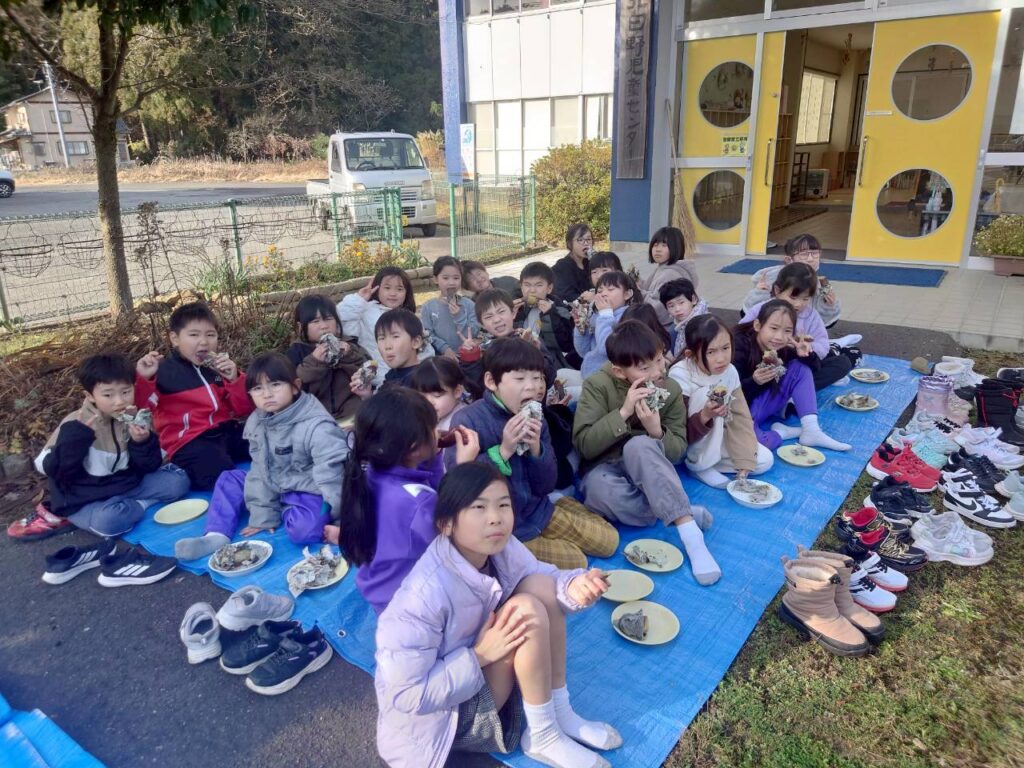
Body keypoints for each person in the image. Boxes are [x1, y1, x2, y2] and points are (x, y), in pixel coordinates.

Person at [375, 462, 620, 768]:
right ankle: (543, 735)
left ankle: (559, 711)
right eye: (479, 507)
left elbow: (541, 575)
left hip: (480, 677)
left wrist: (576, 586)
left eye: (503, 505)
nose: (496, 518)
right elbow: (407, 695)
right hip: (448, 719)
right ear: (446, 524)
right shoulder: (422, 596)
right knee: (525, 610)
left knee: (539, 587)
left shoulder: (498, 548)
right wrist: (479, 655)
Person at [446, 338, 618, 570]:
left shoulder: (537, 419)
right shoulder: (467, 421)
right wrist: (504, 451)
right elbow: (459, 489)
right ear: (491, 381)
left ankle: (561, 506)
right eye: (519, 378)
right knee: (578, 562)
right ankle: (501, 556)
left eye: (537, 378)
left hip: (539, 509)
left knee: (609, 541)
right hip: (507, 528)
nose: (532, 387)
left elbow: (546, 484)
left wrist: (537, 449)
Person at [573, 321, 721, 586]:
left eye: (658, 360)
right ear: (619, 371)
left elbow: (677, 451)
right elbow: (584, 444)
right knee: (597, 491)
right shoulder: (597, 385)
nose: (656, 371)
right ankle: (677, 509)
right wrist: (623, 413)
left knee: (638, 445)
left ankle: (690, 535)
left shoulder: (671, 389)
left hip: (647, 462)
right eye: (644, 367)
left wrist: (656, 432)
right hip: (605, 467)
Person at [174, 353, 350, 560]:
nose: (267, 394)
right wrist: (263, 516)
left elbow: (334, 479)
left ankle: (287, 509)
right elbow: (259, 469)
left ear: (295, 386)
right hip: (272, 481)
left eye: (275, 385)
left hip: (308, 489)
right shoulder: (257, 421)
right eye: (258, 388)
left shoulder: (317, 426)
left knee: (305, 532)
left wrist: (343, 523)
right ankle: (216, 534)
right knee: (229, 479)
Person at [339, 388, 480, 614]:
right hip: (414, 607)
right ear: (413, 448)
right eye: (433, 427)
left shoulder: (369, 473)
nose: (439, 431)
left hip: (383, 591)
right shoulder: (417, 505)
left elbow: (425, 488)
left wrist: (432, 456)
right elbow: (458, 535)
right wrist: (465, 469)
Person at [22, 353, 189, 540]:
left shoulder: (133, 417)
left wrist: (141, 442)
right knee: (109, 521)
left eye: (126, 392)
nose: (119, 401)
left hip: (125, 485)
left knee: (178, 483)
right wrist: (74, 443)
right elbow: (49, 468)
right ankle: (135, 507)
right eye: (108, 394)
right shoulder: (74, 424)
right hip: (84, 498)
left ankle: (128, 506)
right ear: (90, 396)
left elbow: (148, 466)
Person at [135, 301, 253, 490]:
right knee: (221, 472)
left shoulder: (217, 368)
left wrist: (234, 379)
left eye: (210, 335)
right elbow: (138, 409)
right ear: (174, 338)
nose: (204, 342)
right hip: (189, 443)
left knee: (265, 436)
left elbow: (243, 409)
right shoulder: (163, 373)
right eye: (194, 335)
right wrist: (144, 379)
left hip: (225, 432)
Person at [668, 315, 773, 488]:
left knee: (764, 460)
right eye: (711, 352)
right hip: (686, 444)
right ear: (691, 355)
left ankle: (710, 459)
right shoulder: (679, 375)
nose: (721, 358)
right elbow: (677, 430)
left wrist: (745, 461)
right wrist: (705, 415)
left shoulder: (730, 371)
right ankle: (699, 466)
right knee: (706, 395)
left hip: (715, 438)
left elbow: (741, 417)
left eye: (725, 348)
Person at [732, 299, 850, 452]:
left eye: (787, 331)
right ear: (757, 325)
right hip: (742, 411)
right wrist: (754, 381)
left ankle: (811, 429)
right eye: (773, 328)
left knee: (800, 366)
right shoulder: (739, 345)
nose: (779, 337)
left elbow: (814, 371)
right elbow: (730, 394)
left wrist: (806, 354)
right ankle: (782, 432)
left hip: (766, 404)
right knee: (756, 447)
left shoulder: (783, 348)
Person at [740, 263, 852, 390]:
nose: (798, 304)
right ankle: (793, 390)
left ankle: (793, 391)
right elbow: (741, 334)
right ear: (777, 291)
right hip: (764, 365)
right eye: (793, 297)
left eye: (805, 299)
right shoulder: (763, 308)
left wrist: (807, 347)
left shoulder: (810, 314)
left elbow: (822, 344)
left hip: (798, 363)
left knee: (842, 362)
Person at [338, 266, 433, 386]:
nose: (393, 294)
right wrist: (358, 300)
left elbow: (424, 348)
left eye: (399, 289)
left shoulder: (409, 317)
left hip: (410, 375)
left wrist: (423, 370)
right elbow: (342, 321)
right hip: (377, 377)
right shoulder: (364, 311)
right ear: (377, 289)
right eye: (387, 288)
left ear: (406, 293)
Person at [460, 289, 557, 400]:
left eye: (501, 312)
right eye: (488, 317)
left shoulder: (530, 339)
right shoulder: (484, 351)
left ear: (513, 313)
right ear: (482, 324)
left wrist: (535, 353)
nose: (496, 319)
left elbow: (549, 378)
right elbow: (476, 388)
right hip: (497, 411)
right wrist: (470, 358)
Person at [286, 294, 370, 421]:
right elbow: (294, 384)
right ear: (300, 327)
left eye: (328, 319)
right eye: (315, 321)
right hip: (315, 412)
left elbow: (368, 368)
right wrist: (314, 362)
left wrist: (349, 355)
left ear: (337, 322)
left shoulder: (350, 344)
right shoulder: (297, 351)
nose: (324, 326)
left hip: (351, 405)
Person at [742, 234, 842, 328]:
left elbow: (824, 325)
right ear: (789, 259)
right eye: (804, 254)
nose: (811, 259)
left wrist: (829, 306)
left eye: (815, 253)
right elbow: (746, 315)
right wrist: (758, 294)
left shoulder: (816, 282)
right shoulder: (776, 278)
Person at [573, 271, 639, 379]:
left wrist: (605, 314)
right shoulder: (598, 316)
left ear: (627, 294)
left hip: (610, 382)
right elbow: (583, 351)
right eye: (599, 290)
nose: (603, 293)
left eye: (610, 289)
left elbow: (607, 350)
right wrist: (581, 329)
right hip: (592, 377)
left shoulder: (629, 318)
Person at [515, 261, 575, 370]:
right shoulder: (519, 309)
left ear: (549, 288)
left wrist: (550, 315)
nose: (532, 290)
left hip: (551, 363)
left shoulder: (559, 310)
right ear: (521, 287)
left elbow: (565, 345)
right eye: (527, 285)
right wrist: (511, 316)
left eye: (539, 285)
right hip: (520, 359)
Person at [638, 226, 700, 329]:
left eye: (664, 245)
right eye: (655, 245)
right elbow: (652, 290)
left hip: (666, 329)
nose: (658, 249)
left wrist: (638, 292)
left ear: (675, 247)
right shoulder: (663, 268)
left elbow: (660, 308)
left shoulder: (670, 273)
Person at [421, 256, 480, 360]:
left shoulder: (469, 305)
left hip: (468, 357)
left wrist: (459, 316)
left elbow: (473, 333)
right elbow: (427, 334)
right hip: (441, 359)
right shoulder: (428, 307)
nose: (451, 282)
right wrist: (445, 349)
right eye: (445, 278)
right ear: (435, 279)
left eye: (456, 278)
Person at [367, 309, 429, 389]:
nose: (387, 346)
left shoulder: (422, 380)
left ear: (415, 342)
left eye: (395, 336)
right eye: (382, 338)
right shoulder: (391, 375)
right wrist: (366, 394)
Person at [409, 357, 469, 431]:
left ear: (457, 391)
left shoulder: (463, 421)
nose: (429, 402)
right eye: (422, 396)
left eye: (437, 395)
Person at [659, 278, 708, 359]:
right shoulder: (674, 329)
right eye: (671, 306)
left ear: (694, 299)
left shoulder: (706, 324)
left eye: (681, 302)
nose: (677, 309)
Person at [552, 223, 593, 304]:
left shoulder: (591, 263)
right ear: (570, 244)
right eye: (580, 240)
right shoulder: (562, 267)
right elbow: (566, 295)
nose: (586, 243)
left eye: (588, 239)